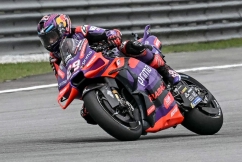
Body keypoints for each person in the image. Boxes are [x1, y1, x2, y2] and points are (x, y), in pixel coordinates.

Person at [36, 13, 182, 123]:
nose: (50, 42)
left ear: (63, 29)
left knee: (129, 46)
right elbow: (61, 77)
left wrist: (111, 35)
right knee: (88, 115)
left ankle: (167, 72)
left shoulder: (80, 31)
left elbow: (106, 32)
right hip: (87, 72)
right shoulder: (54, 58)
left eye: (52, 36)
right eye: (46, 39)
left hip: (109, 56)